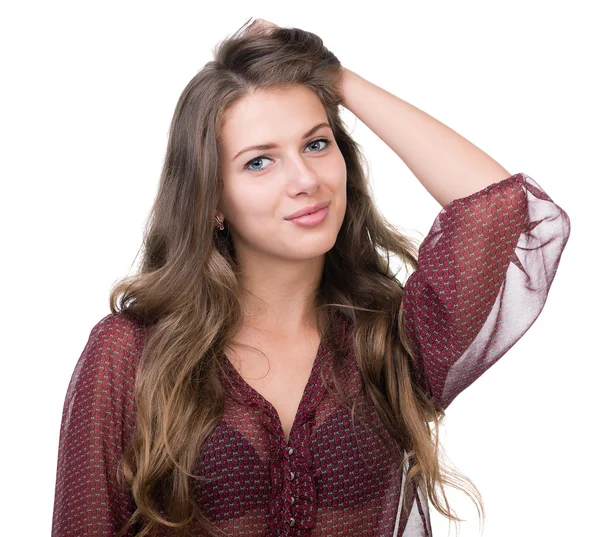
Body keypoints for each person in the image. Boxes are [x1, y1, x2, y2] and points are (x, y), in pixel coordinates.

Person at [51, 17, 571, 537]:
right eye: (259, 162)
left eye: (317, 144)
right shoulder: (132, 353)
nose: (305, 180)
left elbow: (500, 209)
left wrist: (334, 78)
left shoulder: (388, 341)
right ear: (211, 199)